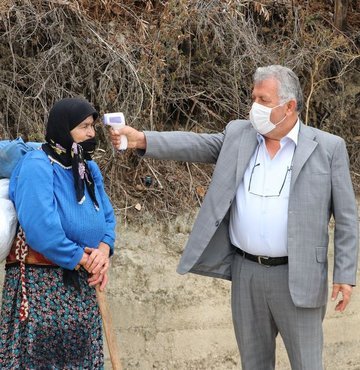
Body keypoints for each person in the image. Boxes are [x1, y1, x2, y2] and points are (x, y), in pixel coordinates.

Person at [110, 65, 359, 370]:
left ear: (290, 106)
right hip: (246, 273)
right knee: (253, 364)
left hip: (299, 275)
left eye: (263, 100)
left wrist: (345, 275)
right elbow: (195, 144)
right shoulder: (239, 134)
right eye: (253, 97)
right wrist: (142, 140)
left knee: (307, 363)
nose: (254, 106)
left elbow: (347, 217)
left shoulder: (329, 148)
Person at [0, 98, 116, 368]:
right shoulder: (37, 165)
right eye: (84, 126)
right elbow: (41, 228)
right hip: (43, 287)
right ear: (64, 127)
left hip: (81, 285)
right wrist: (83, 258)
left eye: (92, 127)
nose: (91, 134)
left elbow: (107, 217)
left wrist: (103, 250)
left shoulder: (88, 169)